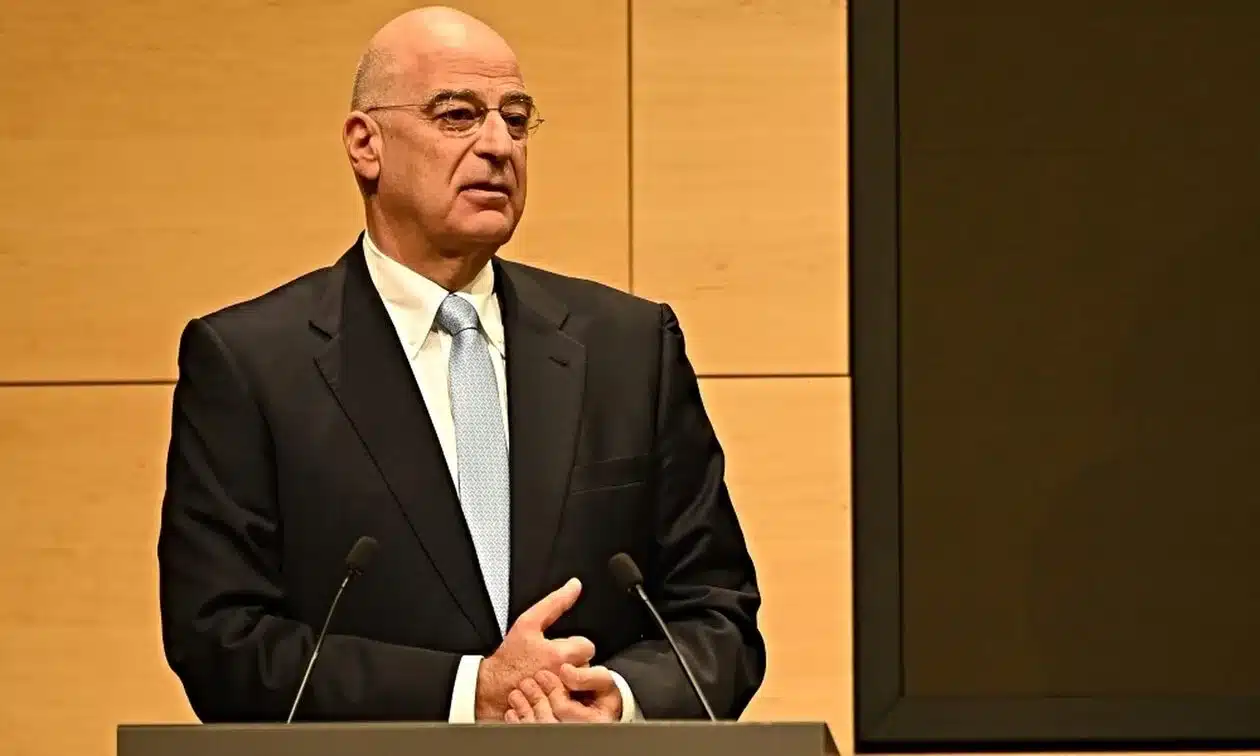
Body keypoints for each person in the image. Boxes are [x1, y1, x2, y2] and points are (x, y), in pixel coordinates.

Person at [157, 5, 765, 724]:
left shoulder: (629, 348)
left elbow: (717, 614)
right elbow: (223, 642)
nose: (498, 145)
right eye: (458, 115)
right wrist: (466, 691)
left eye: (517, 119)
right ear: (365, 145)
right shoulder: (252, 363)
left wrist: (620, 700)